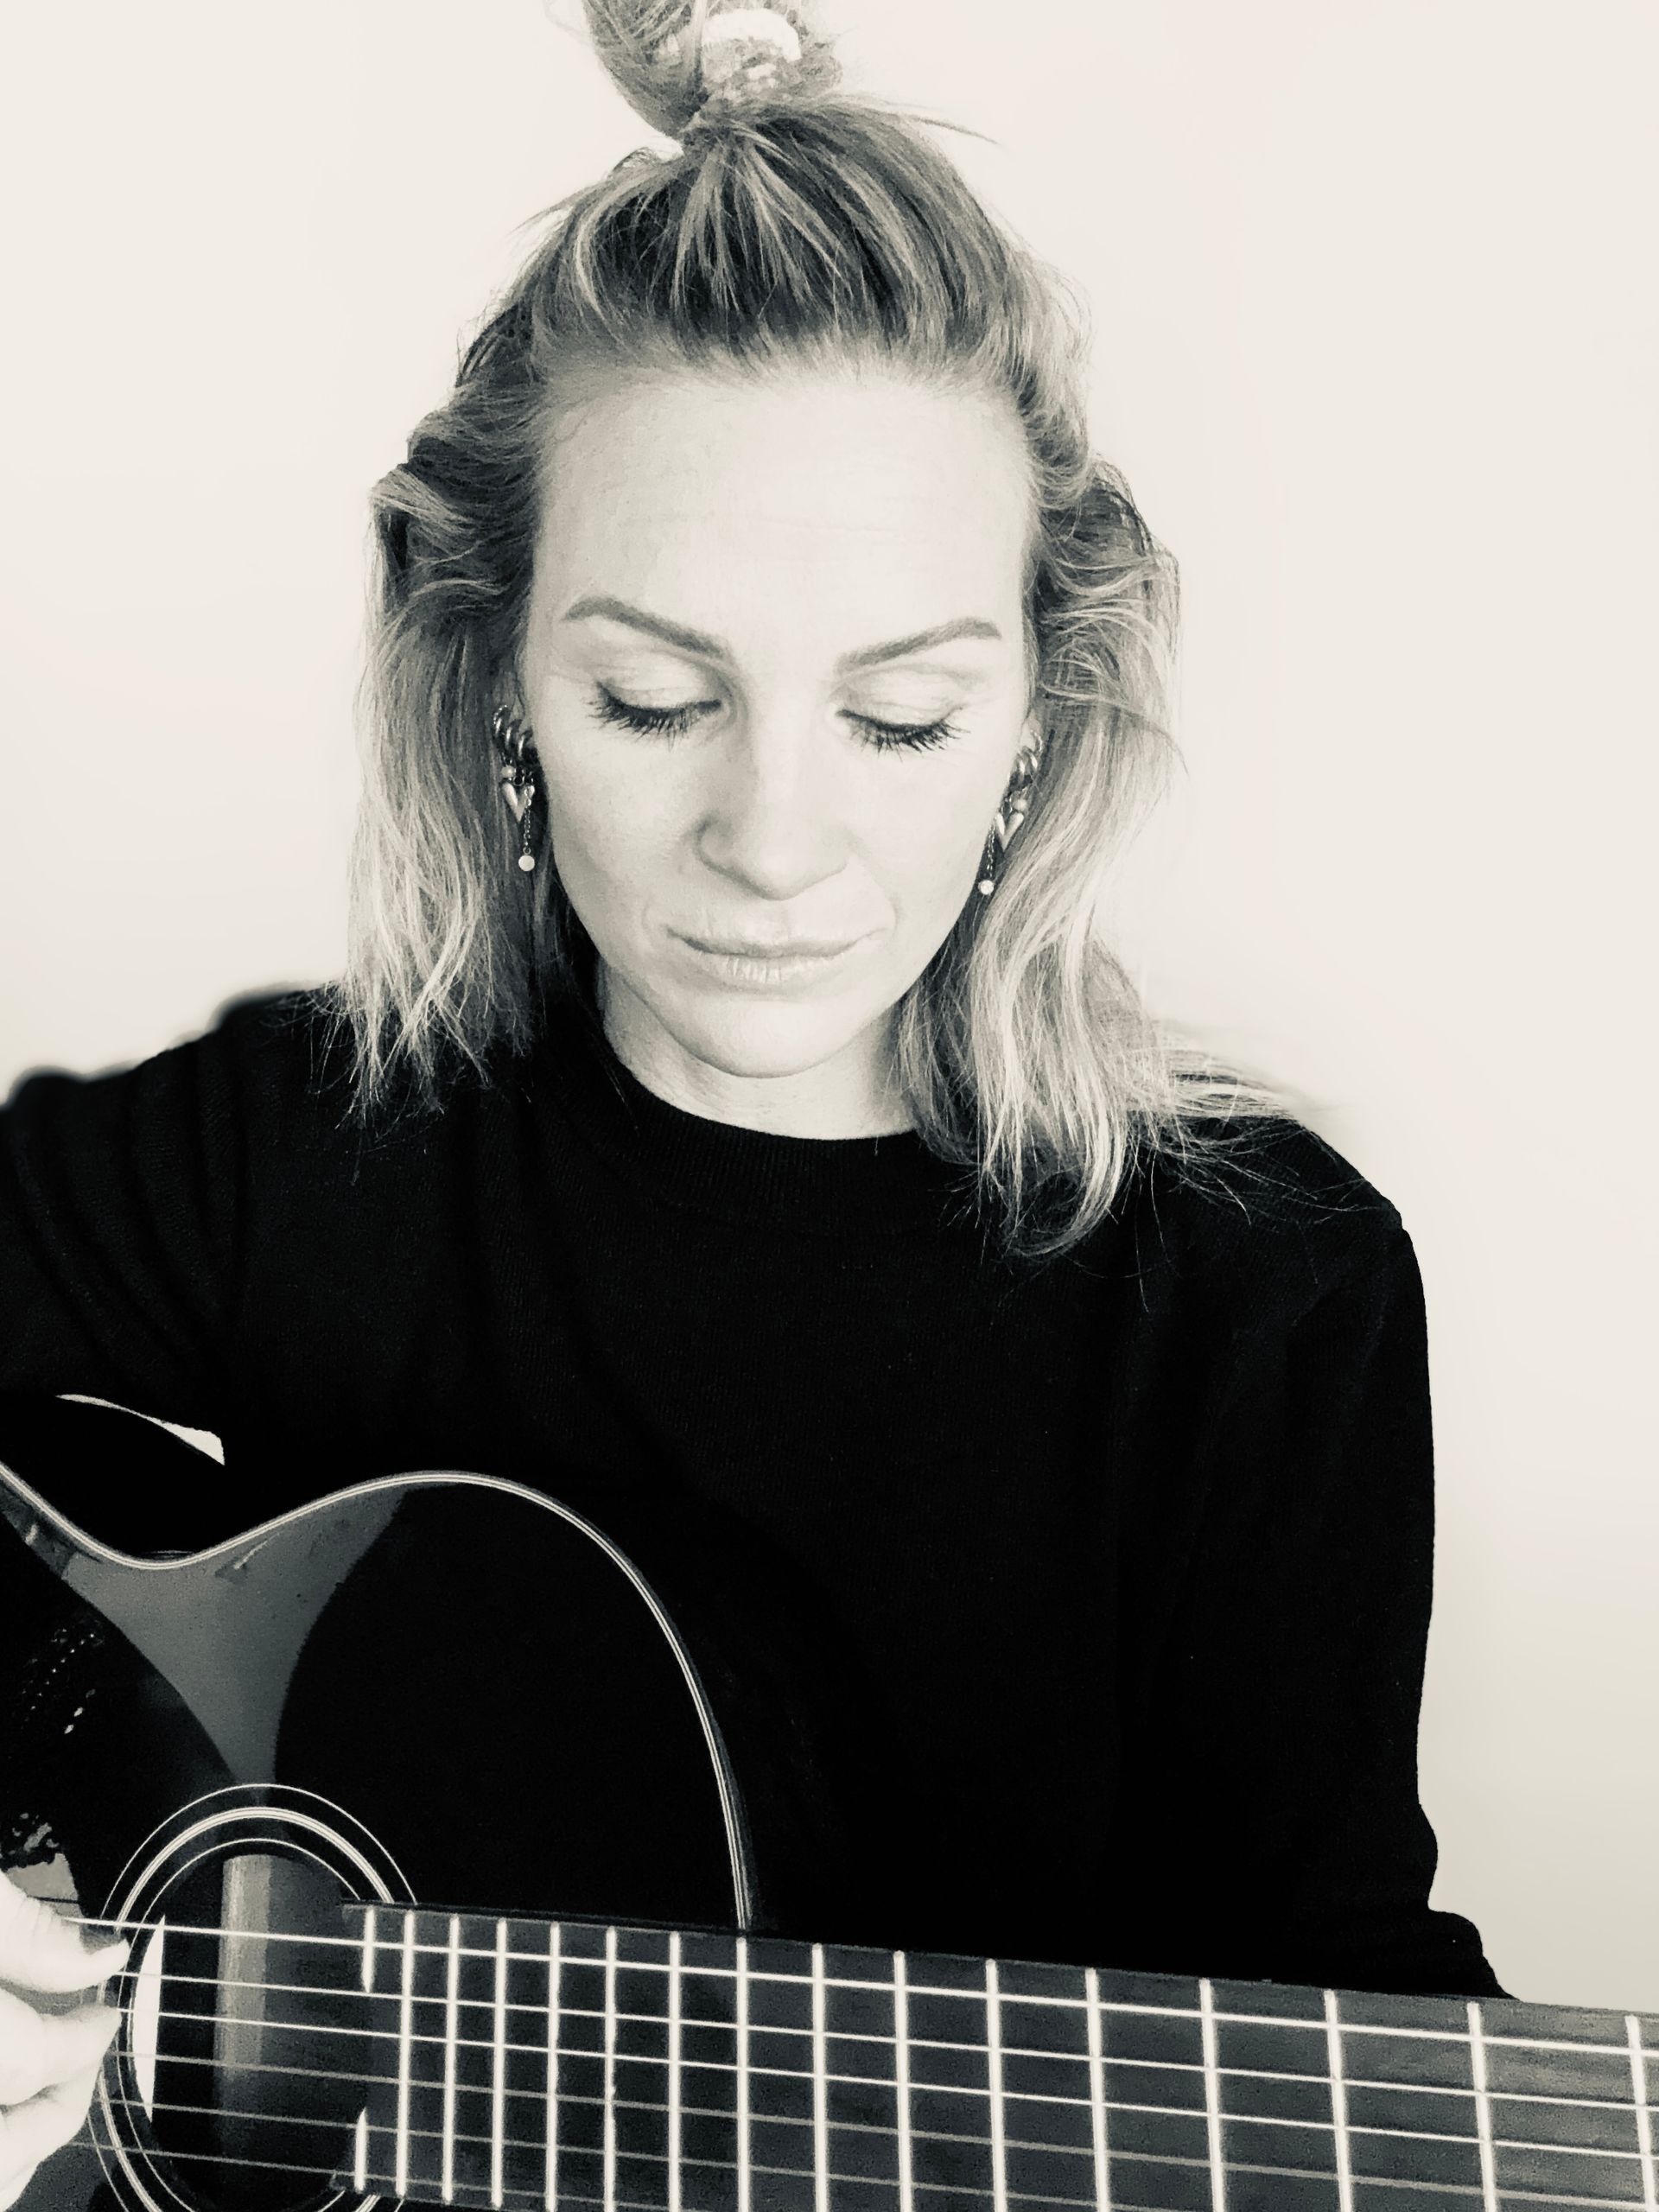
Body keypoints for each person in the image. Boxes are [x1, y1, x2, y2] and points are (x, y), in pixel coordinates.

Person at [0, 0, 1501, 2198]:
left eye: (899, 719)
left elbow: (1332, 2003)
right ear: (498, 680)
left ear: (1039, 720)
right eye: (652, 697)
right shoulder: (288, 1152)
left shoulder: (1263, 1294)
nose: (774, 844)